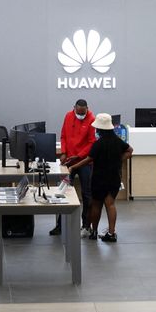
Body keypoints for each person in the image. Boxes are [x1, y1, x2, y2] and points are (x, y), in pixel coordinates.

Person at [67, 113, 132, 242]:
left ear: (99, 129)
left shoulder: (98, 144)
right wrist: (119, 160)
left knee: (96, 205)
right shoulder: (118, 141)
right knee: (110, 204)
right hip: (114, 177)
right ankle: (111, 233)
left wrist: (74, 167)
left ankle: (94, 232)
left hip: (99, 178)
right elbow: (130, 151)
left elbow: (89, 159)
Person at [50, 99, 96, 238]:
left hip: (84, 162)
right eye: (78, 112)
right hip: (68, 160)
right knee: (61, 191)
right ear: (74, 108)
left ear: (87, 109)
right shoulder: (68, 116)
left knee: (87, 194)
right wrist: (64, 152)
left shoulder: (92, 119)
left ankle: (86, 225)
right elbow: (63, 136)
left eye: (83, 112)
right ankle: (60, 225)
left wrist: (78, 156)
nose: (81, 115)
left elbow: (91, 143)